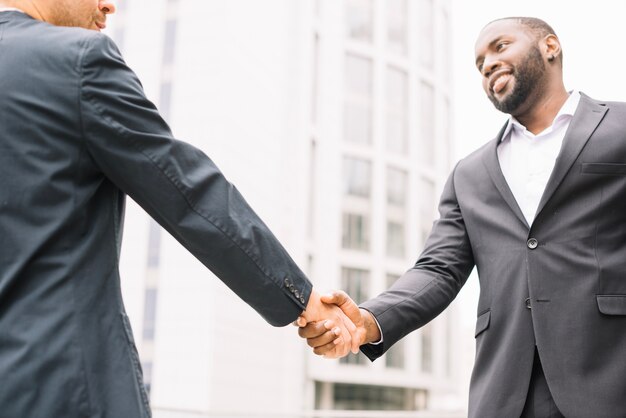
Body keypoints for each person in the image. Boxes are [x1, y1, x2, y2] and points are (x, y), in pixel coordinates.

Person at [0, 1, 361, 417]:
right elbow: (187, 192)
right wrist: (303, 299)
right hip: (60, 388)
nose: (108, 5)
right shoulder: (75, 61)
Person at [298, 16, 626, 418]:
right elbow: (438, 270)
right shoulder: (470, 174)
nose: (487, 64)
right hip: (505, 392)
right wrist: (368, 320)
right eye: (479, 63)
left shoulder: (620, 128)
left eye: (500, 47)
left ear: (551, 47)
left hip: (610, 376)